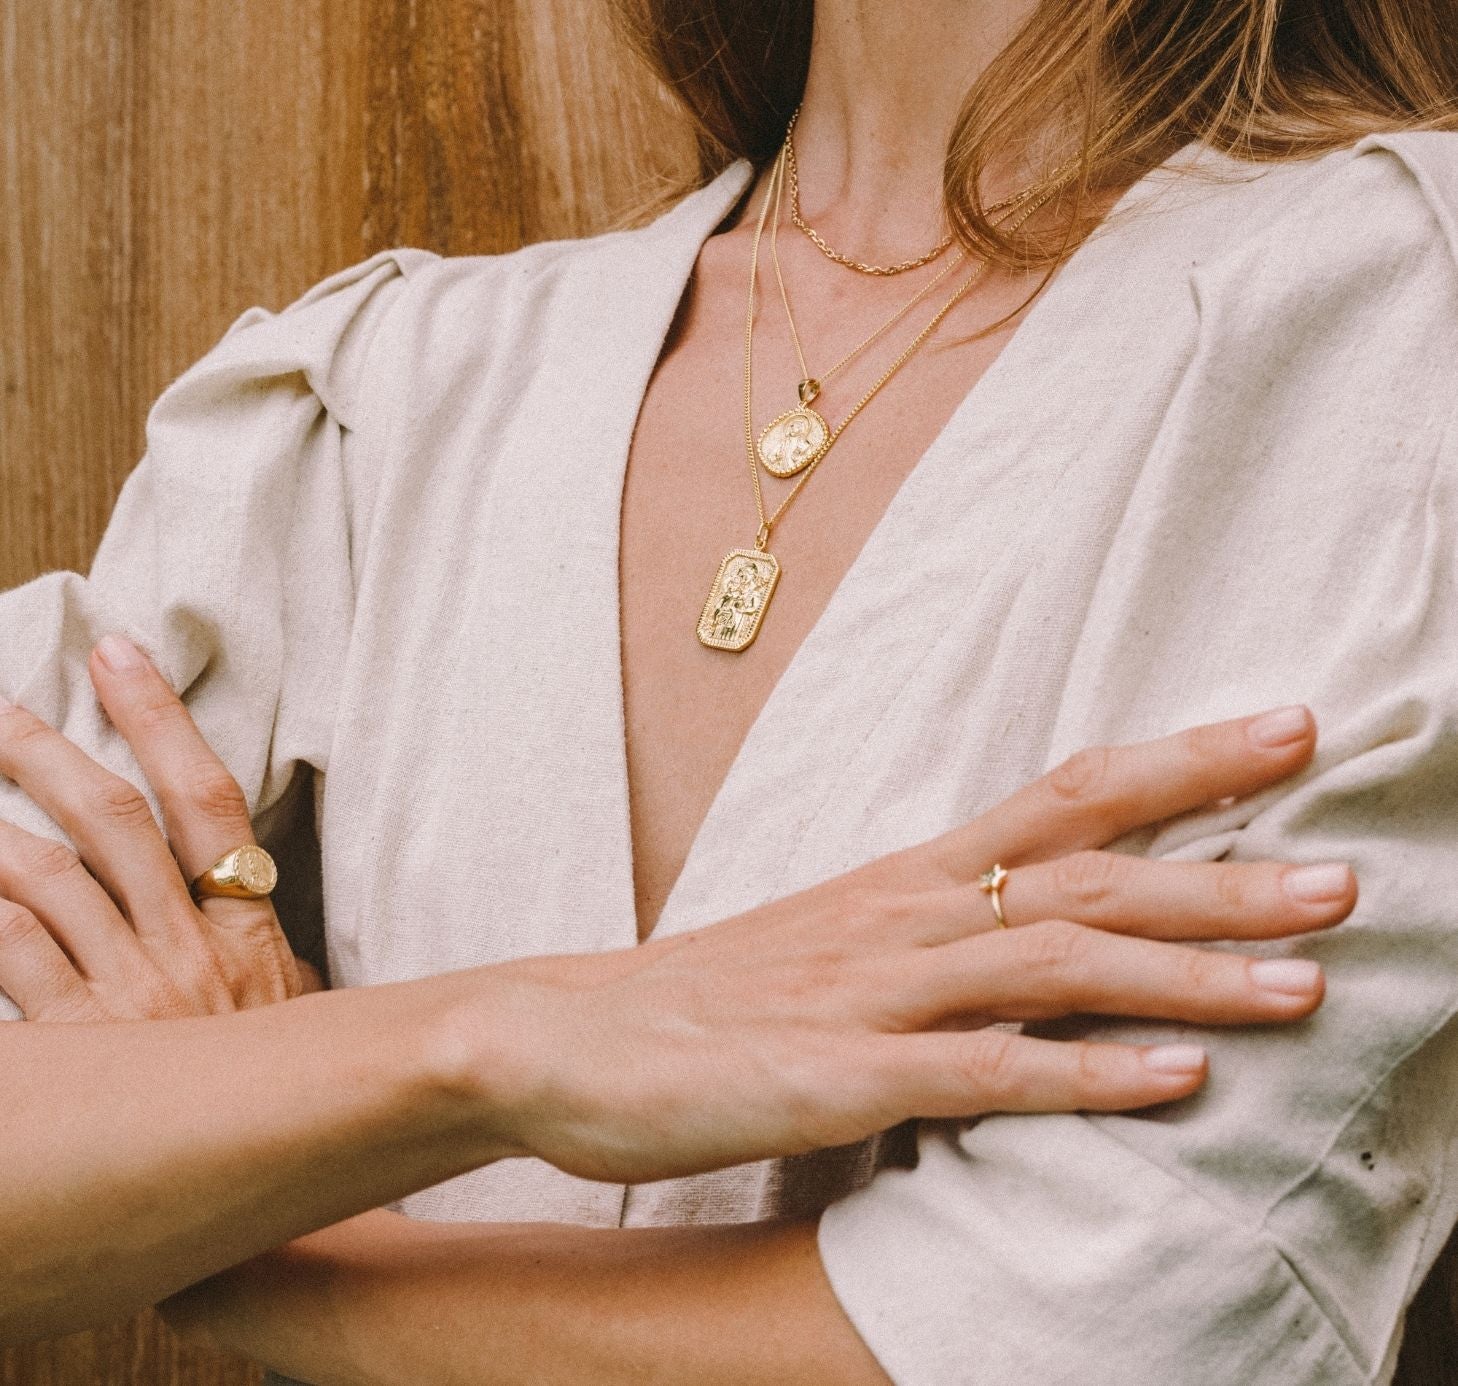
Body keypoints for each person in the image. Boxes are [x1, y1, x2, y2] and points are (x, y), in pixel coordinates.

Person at [1, 0, 1455, 1382]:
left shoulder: (1385, 310)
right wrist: (501, 1044)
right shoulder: (389, 391)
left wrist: (251, 1216)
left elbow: (1111, 1328)